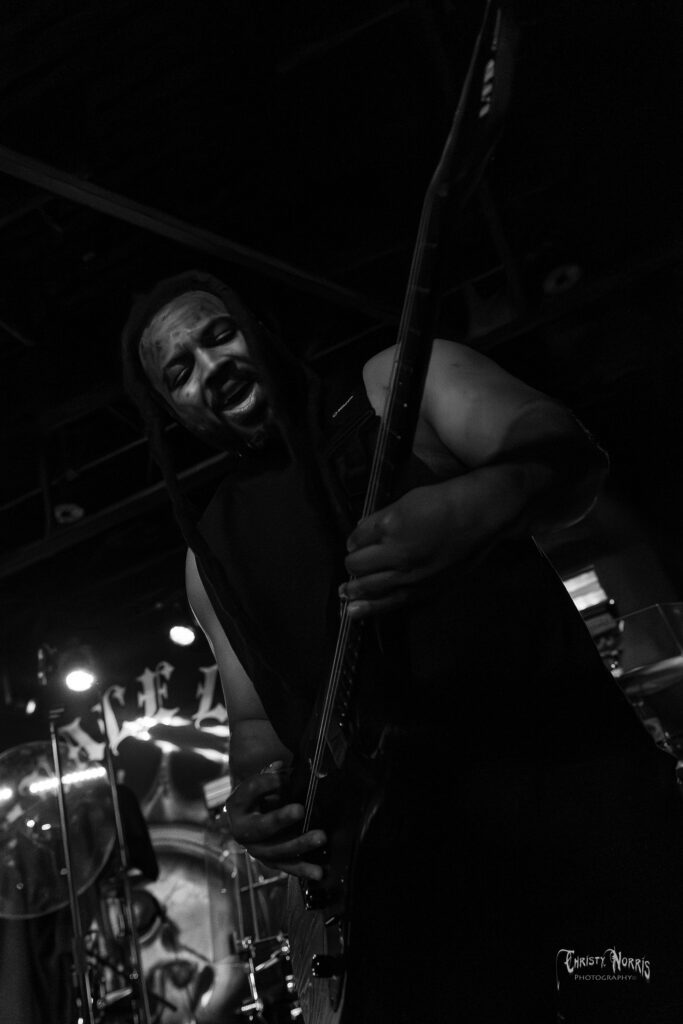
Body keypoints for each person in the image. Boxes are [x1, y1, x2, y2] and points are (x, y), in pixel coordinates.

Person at [122, 270, 683, 1024]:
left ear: (263, 331)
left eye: (220, 335)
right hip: (414, 892)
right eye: (180, 372)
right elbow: (256, 726)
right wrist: (255, 801)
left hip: (577, 803)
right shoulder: (209, 557)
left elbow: (570, 453)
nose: (211, 367)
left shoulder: (399, 383)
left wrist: (474, 505)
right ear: (174, 414)